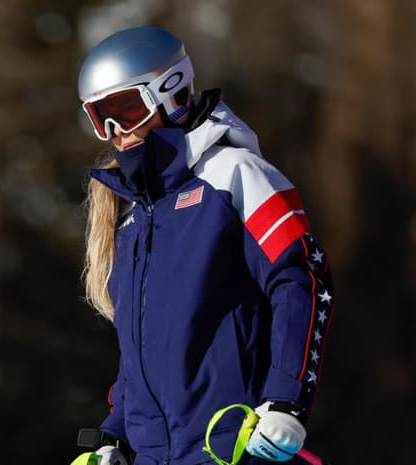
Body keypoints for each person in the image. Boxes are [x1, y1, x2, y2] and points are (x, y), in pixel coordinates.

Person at [72, 26, 335, 465]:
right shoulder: (132, 216)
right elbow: (142, 351)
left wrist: (286, 400)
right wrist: (115, 436)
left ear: (170, 92)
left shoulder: (234, 176)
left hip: (231, 447)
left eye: (126, 110)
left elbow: (303, 280)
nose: (117, 132)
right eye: (101, 118)